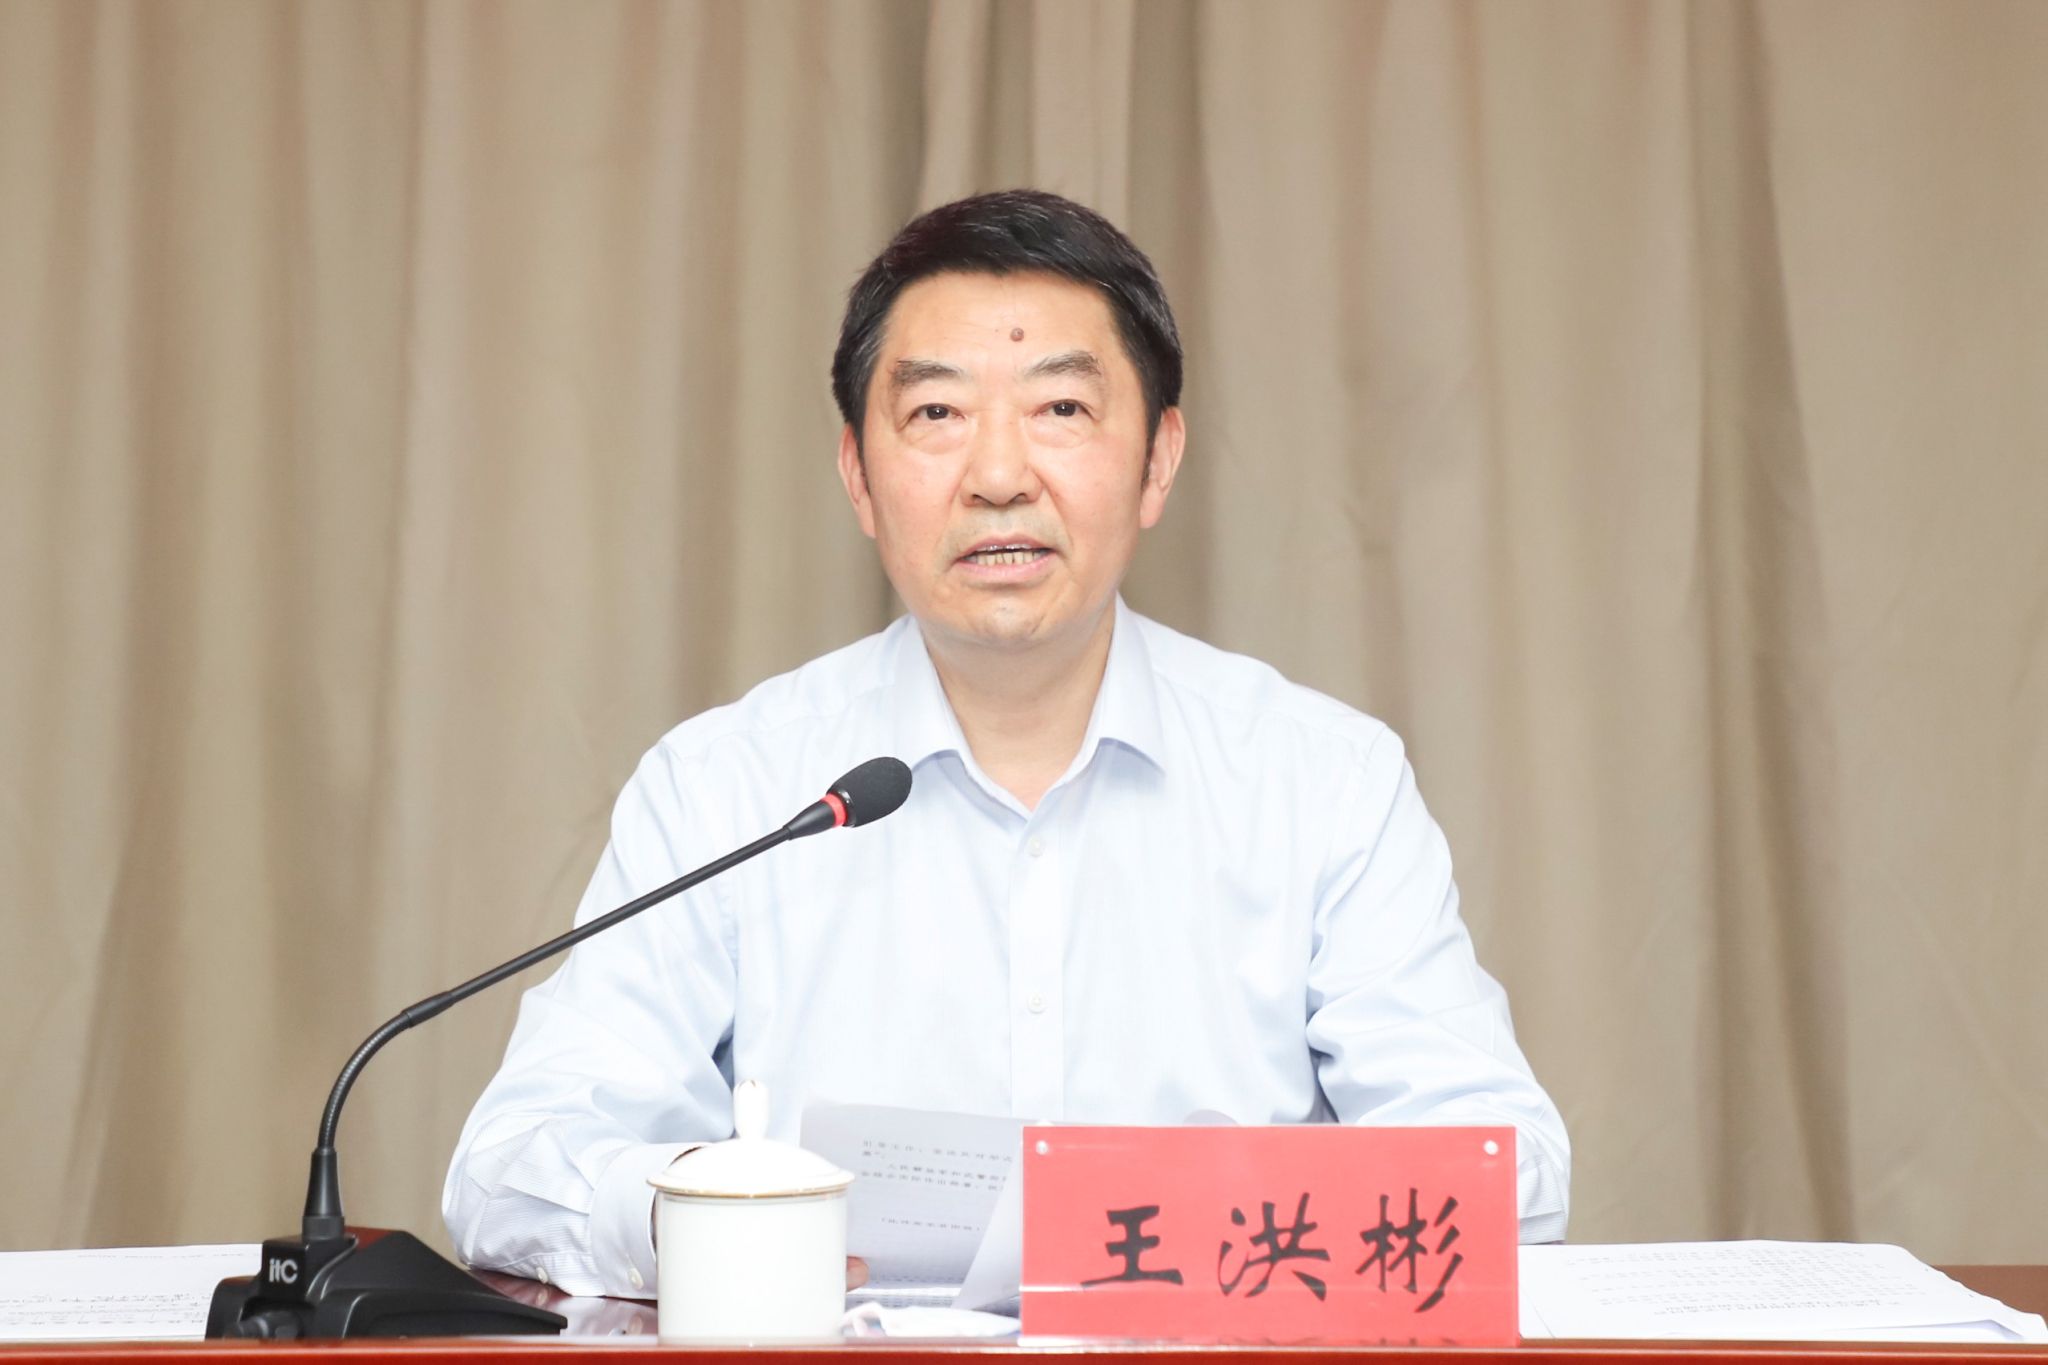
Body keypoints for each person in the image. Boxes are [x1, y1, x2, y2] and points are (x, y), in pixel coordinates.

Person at [444, 189, 1569, 1299]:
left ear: (1158, 461)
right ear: (858, 475)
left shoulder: (1321, 781)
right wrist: (713, 1213)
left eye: (1060, 409)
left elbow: (1506, 1173)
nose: (996, 477)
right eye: (936, 414)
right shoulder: (726, 786)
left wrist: (1195, 1212)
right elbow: (514, 1165)